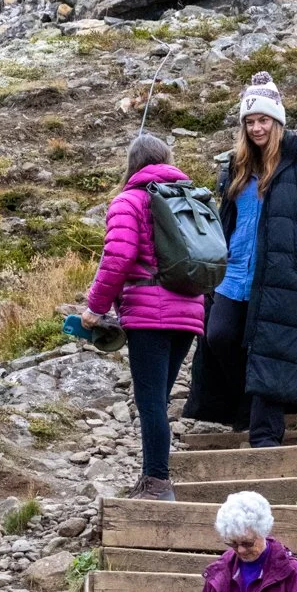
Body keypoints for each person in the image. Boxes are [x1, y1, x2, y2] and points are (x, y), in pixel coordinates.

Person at [184, 72, 297, 448]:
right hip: (234, 274)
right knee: (218, 335)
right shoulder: (236, 167)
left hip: (281, 275)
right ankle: (246, 404)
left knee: (269, 348)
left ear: (278, 120)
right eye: (250, 122)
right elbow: (225, 221)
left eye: (263, 120)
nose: (256, 128)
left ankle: (265, 436)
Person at [82, 132, 206, 499]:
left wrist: (95, 307)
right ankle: (149, 478)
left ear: (131, 164)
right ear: (167, 159)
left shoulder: (129, 201)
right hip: (189, 311)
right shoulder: (190, 197)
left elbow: (117, 258)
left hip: (150, 315)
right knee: (158, 398)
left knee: (150, 401)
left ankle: (157, 483)